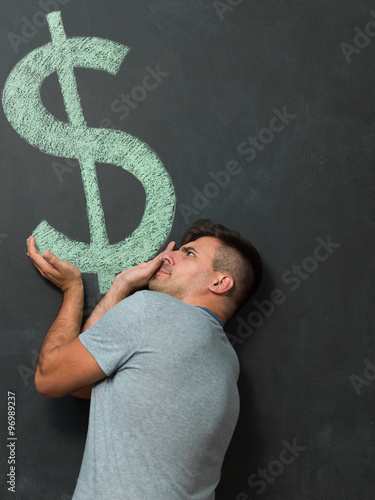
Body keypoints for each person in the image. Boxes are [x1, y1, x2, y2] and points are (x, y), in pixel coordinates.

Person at [27, 219, 262, 500]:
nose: (166, 254)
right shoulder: (227, 362)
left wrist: (72, 290)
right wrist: (120, 286)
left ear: (220, 282)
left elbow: (50, 377)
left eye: (188, 253)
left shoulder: (152, 310)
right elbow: (82, 382)